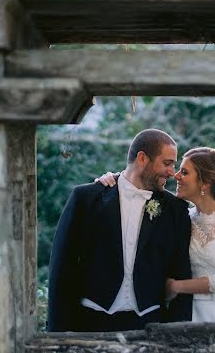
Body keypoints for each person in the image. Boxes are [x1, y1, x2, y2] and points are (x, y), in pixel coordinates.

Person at [47, 129, 192, 332]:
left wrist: (178, 333)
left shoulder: (176, 209)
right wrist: (57, 332)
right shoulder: (86, 199)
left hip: (150, 324)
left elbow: (182, 271)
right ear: (142, 158)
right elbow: (62, 267)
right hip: (89, 322)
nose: (172, 172)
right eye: (167, 163)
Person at [98, 147, 215, 323]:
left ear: (204, 182)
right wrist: (115, 179)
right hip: (188, 314)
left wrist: (175, 286)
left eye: (184, 172)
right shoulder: (185, 217)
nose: (176, 176)